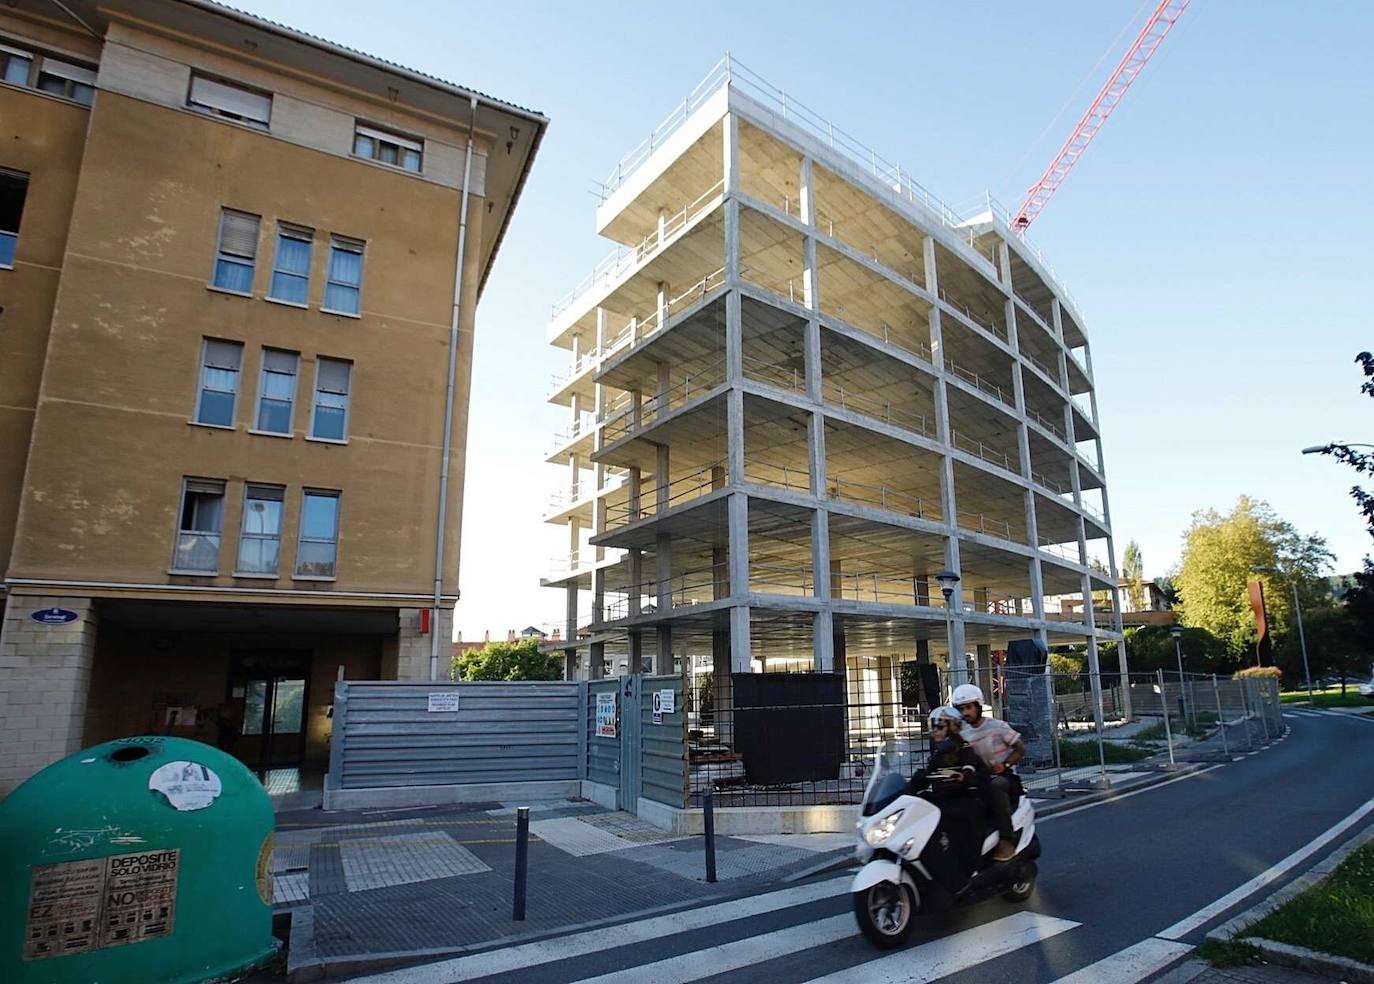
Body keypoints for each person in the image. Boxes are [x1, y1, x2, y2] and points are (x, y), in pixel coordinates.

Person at [907, 706, 988, 882]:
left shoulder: (964, 748)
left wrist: (963, 776)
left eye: (939, 726)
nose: (934, 731)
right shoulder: (938, 754)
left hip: (962, 798)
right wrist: (909, 786)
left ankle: (969, 870)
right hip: (942, 800)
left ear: (952, 727)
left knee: (967, 824)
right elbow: (927, 775)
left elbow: (970, 769)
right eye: (933, 726)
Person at [951, 683, 1025, 861]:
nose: (965, 713)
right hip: (977, 779)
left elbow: (1020, 748)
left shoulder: (997, 726)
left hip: (1003, 777)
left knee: (996, 786)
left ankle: (1007, 840)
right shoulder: (963, 734)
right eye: (961, 709)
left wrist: (1005, 765)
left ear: (978, 706)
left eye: (969, 707)